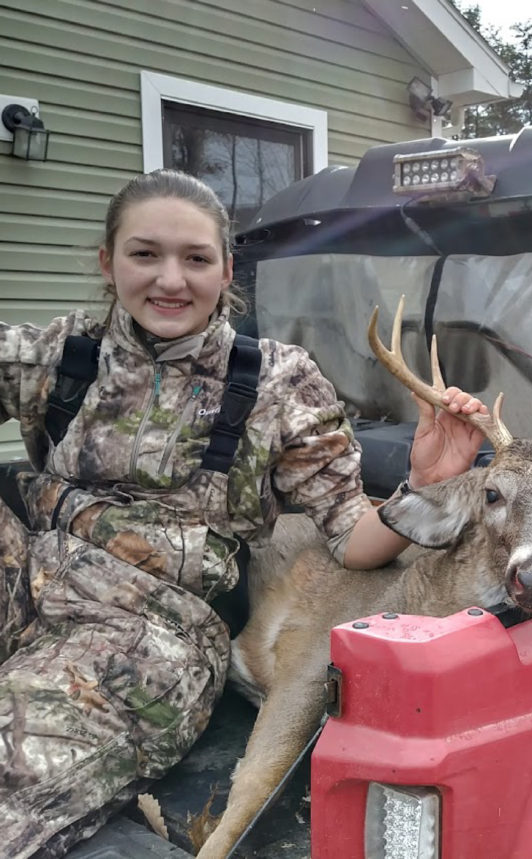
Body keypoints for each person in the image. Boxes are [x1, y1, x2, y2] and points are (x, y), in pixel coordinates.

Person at [0, 168, 486, 857]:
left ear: (227, 270)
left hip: (147, 626)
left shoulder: (279, 383)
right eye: (145, 254)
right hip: (33, 571)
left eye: (195, 259)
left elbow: (352, 534)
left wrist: (422, 482)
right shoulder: (61, 354)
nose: (171, 279)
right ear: (108, 264)